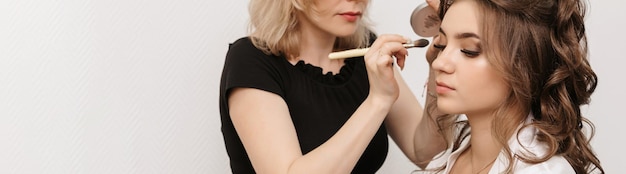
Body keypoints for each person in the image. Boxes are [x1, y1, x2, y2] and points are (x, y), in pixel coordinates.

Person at [219, 0, 445, 173]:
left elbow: (426, 153)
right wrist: (377, 102)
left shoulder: (366, 48)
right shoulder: (251, 60)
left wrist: (439, 65)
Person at [414, 0, 605, 173]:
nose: (438, 63)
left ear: (525, 65)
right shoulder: (442, 163)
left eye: (469, 51)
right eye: (442, 45)